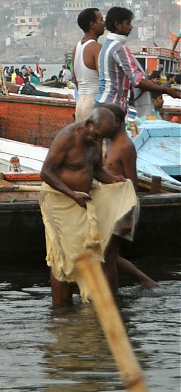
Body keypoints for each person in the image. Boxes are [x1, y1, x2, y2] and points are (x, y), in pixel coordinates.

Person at [39, 107, 138, 305]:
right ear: (88, 124)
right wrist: (72, 194)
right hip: (60, 200)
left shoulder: (96, 138)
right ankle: (60, 305)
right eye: (98, 135)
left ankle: (85, 298)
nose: (98, 140)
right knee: (63, 255)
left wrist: (112, 180)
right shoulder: (67, 137)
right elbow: (46, 172)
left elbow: (96, 169)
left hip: (82, 200)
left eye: (103, 137)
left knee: (85, 251)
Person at [102, 103, 159, 289]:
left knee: (107, 257)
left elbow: (131, 183)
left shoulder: (125, 146)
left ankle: (111, 299)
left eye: (104, 122)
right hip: (110, 206)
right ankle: (149, 283)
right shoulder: (110, 144)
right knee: (108, 255)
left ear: (116, 122)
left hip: (122, 206)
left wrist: (128, 216)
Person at [95, 7, 181, 111]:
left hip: (102, 102)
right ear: (117, 24)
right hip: (113, 106)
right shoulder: (119, 48)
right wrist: (166, 90)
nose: (131, 27)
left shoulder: (107, 45)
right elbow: (137, 80)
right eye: (128, 23)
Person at [71, 8, 105, 122]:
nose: (104, 23)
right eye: (101, 20)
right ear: (93, 24)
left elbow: (75, 79)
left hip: (80, 103)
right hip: (92, 103)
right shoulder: (96, 48)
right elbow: (104, 80)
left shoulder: (76, 47)